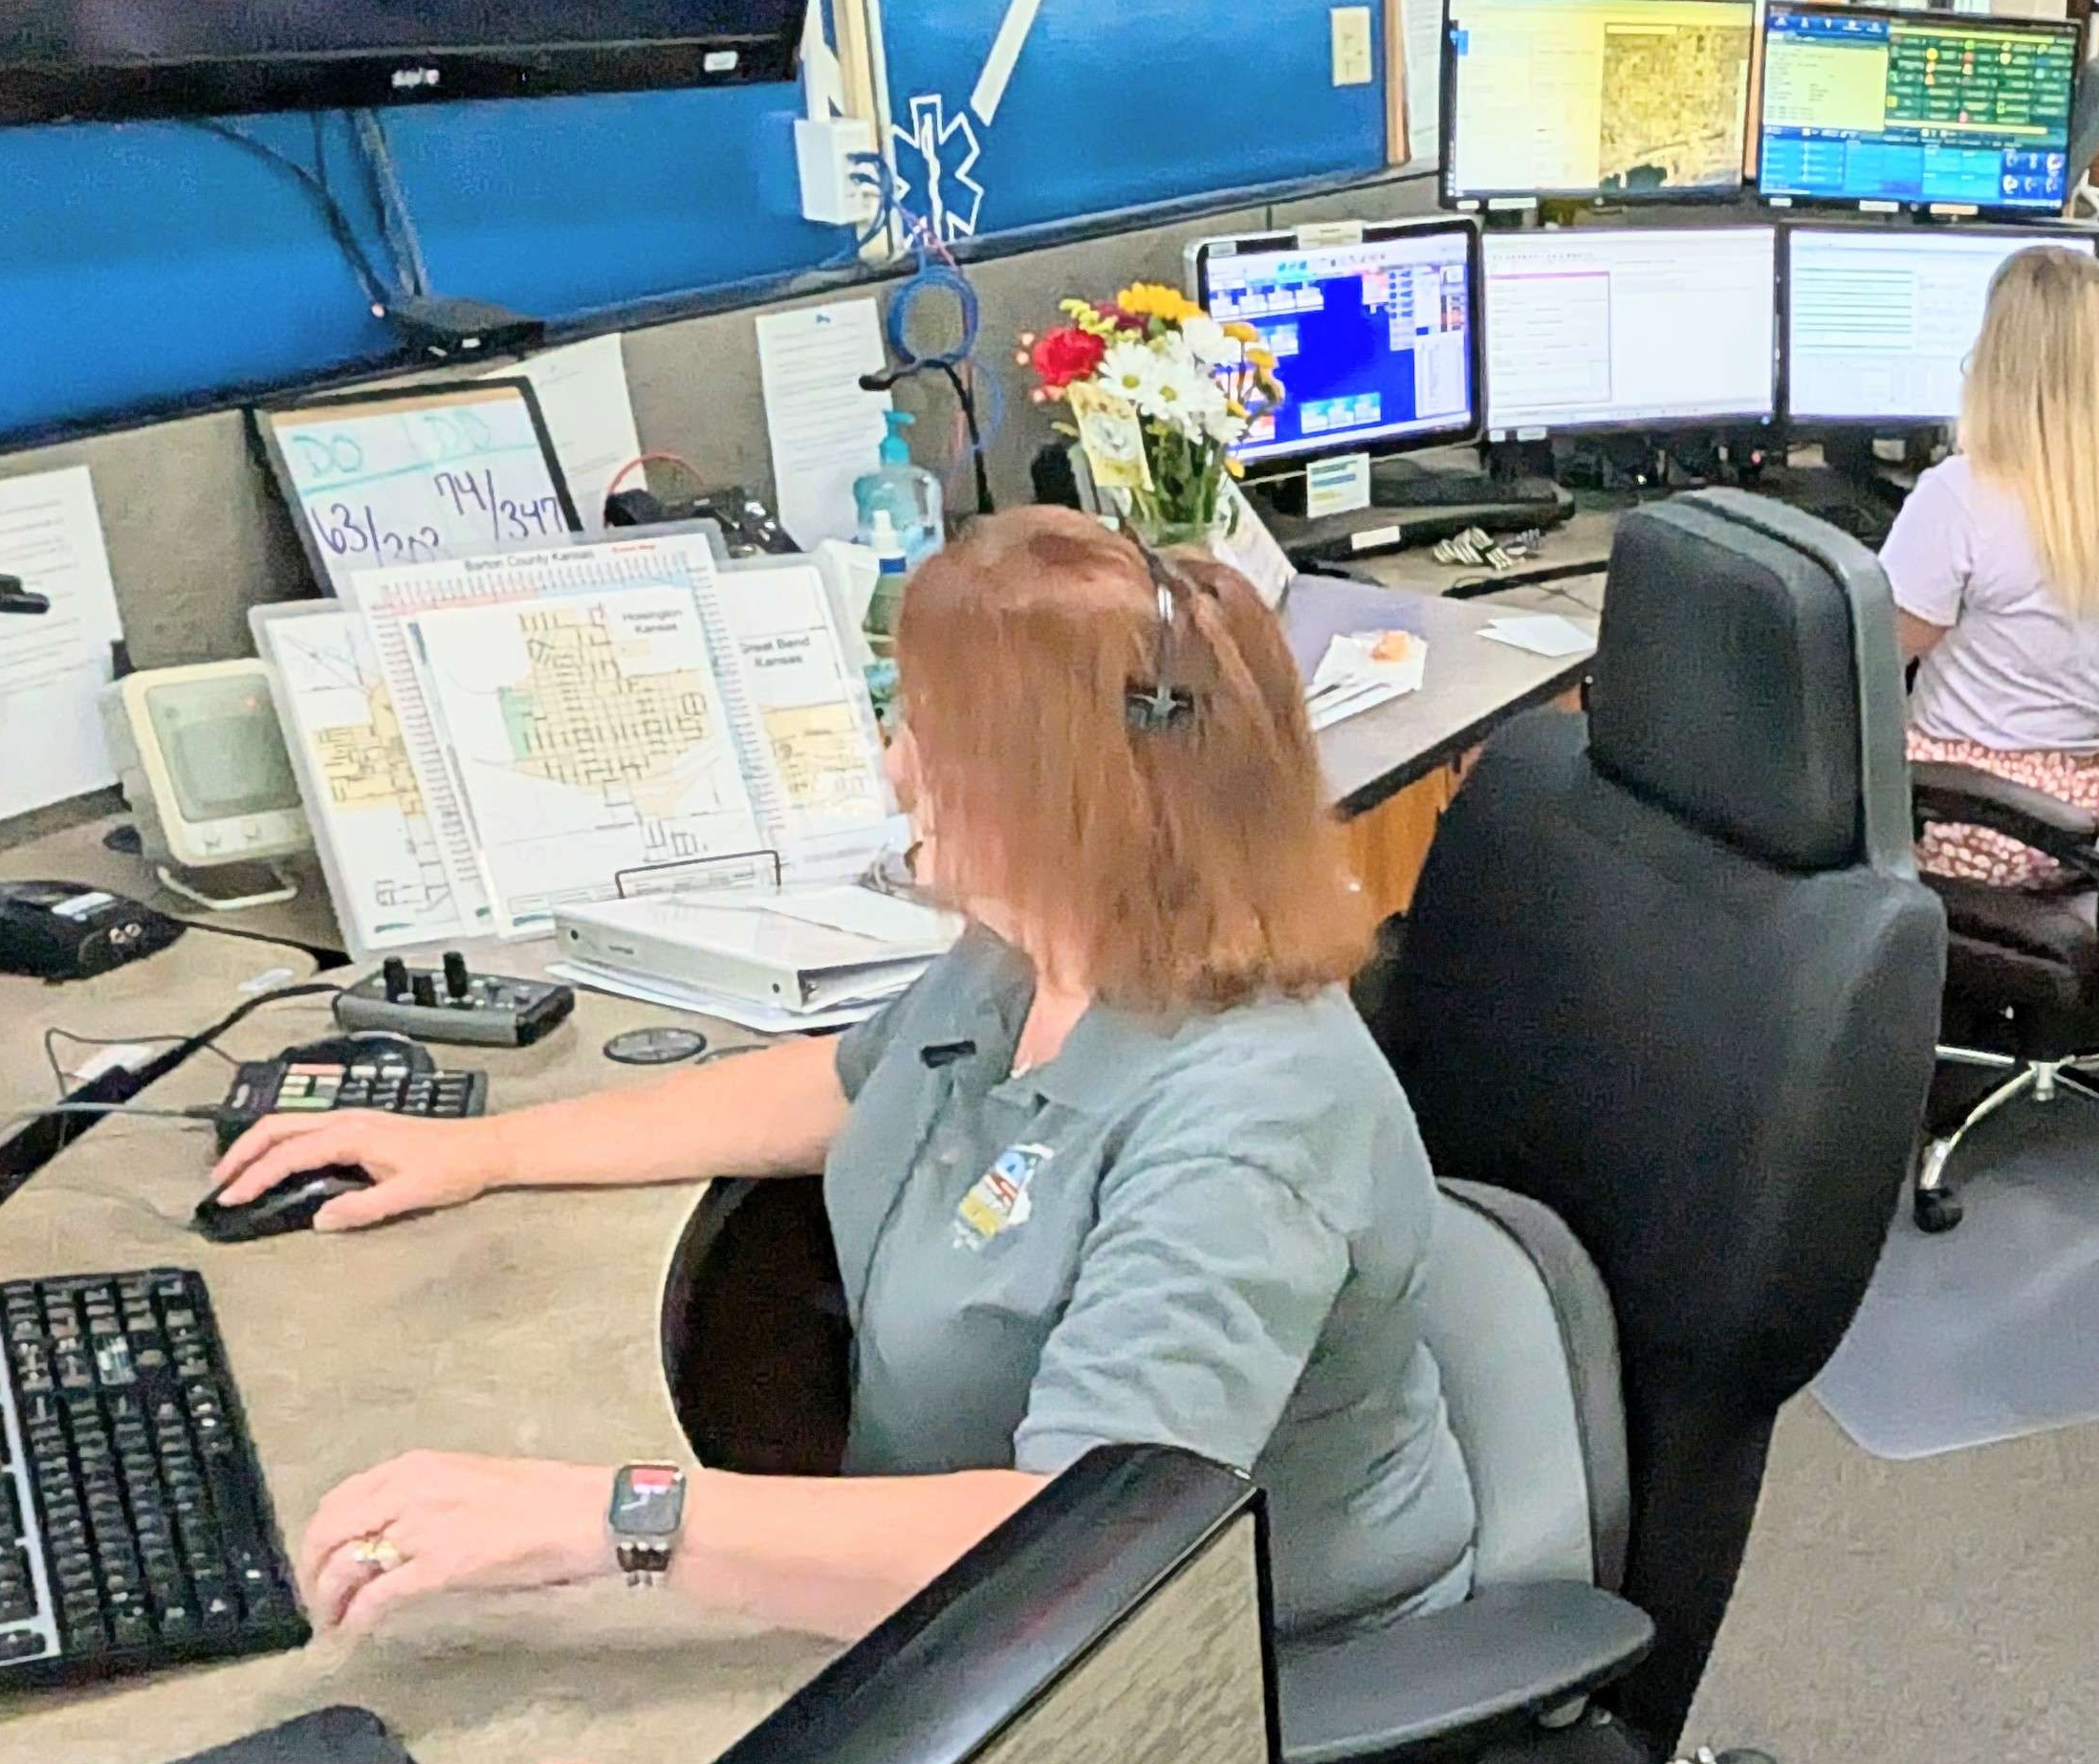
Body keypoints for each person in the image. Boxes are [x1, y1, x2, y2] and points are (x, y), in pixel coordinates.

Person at [208, 510, 1476, 1644]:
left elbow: (1083, 1542)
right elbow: (853, 1087)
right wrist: (487, 1149)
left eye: (925, 731)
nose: (891, 763)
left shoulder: (1247, 1119)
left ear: (1059, 791)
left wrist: (610, 1517)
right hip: (963, 1561)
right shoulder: (1044, 946)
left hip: (1220, 1657)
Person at [1885, 241, 2099, 892]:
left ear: (1996, 360)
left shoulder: (1961, 494)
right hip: (2094, 824)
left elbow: (1869, 656)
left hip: (1965, 817)